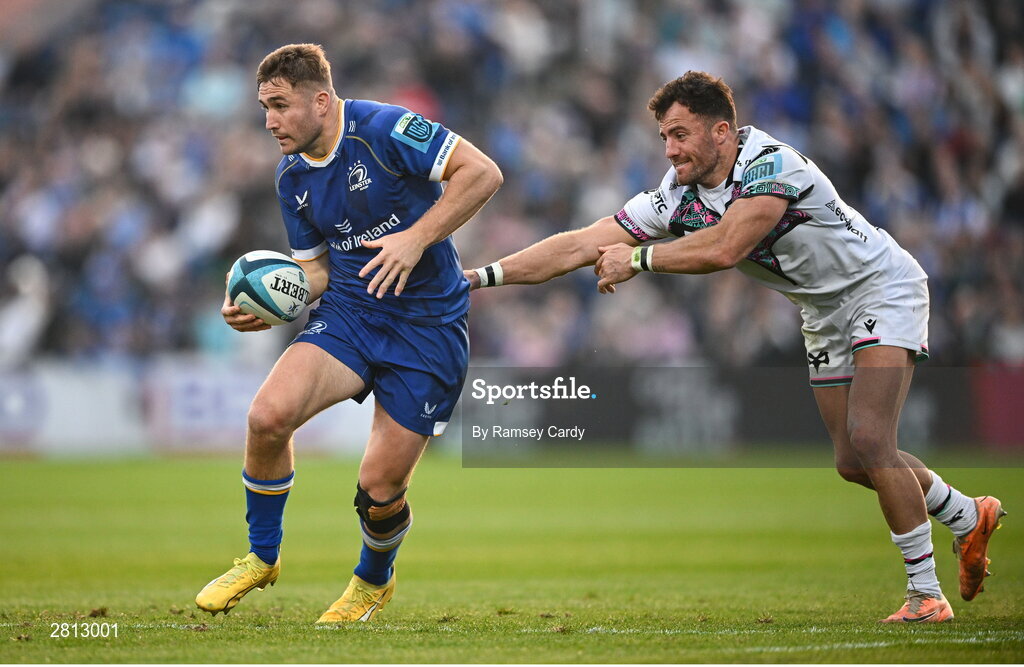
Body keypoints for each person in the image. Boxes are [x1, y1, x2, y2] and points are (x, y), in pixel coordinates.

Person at [466, 71, 1005, 623]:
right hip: (821, 311)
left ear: (721, 131)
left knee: (871, 437)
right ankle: (966, 516)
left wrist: (639, 259)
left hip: (880, 287)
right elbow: (581, 243)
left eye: (680, 134)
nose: (670, 149)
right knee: (852, 461)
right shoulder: (677, 196)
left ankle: (925, 595)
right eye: (664, 138)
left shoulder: (771, 164)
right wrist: (478, 278)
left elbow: (728, 247)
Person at [195, 43, 502, 623]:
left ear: (320, 99)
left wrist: (415, 238)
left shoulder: (385, 129)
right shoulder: (291, 177)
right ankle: (262, 556)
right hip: (353, 314)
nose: (269, 121)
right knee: (267, 417)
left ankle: (372, 581)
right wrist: (268, 306)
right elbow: (314, 268)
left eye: (280, 105)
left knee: (379, 488)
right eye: (264, 107)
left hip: (428, 326)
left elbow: (482, 173)